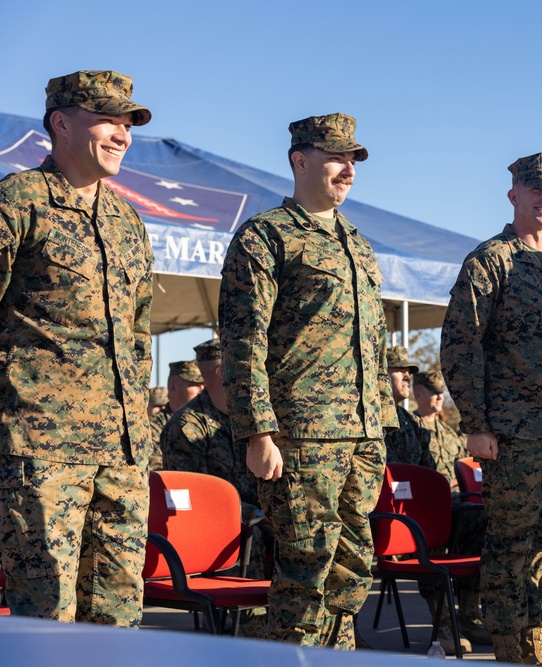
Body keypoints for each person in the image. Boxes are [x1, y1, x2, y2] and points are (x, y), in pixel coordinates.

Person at [220, 113, 396, 649]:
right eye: (338, 158)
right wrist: (257, 433)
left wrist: (383, 422)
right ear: (300, 160)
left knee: (350, 570)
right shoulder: (266, 236)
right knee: (304, 573)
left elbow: (376, 341)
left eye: (353, 161)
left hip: (361, 435)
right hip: (302, 436)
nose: (348, 170)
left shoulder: (358, 245)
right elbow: (243, 339)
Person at [0, 70, 153, 626]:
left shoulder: (127, 221)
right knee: (48, 624)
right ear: (61, 123)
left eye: (128, 123)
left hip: (124, 453)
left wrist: (143, 434)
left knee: (119, 622)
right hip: (43, 450)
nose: (122, 134)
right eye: (108, 120)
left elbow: (138, 338)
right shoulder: (18, 202)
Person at [440, 152, 542, 666]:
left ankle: (533, 635)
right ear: (514, 194)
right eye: (537, 189)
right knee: (510, 541)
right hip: (512, 432)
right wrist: (476, 425)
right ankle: (506, 643)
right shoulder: (490, 260)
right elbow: (459, 345)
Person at [410, 368, 491, 649]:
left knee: (482, 518)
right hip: (425, 506)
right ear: (418, 394)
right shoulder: (411, 428)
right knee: (430, 532)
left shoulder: (450, 432)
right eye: (433, 392)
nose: (439, 397)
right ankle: (442, 624)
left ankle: (469, 616)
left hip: (456, 503)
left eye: (441, 393)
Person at [161, 338, 254, 510]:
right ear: (222, 373)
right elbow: (193, 498)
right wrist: (255, 516)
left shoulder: (254, 414)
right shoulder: (187, 426)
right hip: (219, 527)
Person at [149, 360, 204, 469]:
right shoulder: (154, 426)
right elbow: (155, 468)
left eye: (203, 385)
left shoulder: (208, 422)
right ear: (173, 387)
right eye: (194, 384)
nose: (201, 390)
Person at [384, 346, 433, 468]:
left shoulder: (414, 423)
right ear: (381, 374)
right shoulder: (363, 420)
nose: (408, 377)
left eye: (409, 372)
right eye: (400, 370)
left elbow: (429, 474)